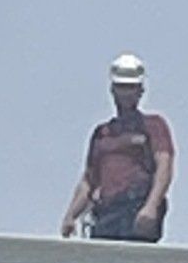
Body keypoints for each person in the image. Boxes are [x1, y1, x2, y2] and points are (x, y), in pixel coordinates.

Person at [62, 55, 175, 242]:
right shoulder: (103, 133)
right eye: (122, 87)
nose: (126, 93)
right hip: (107, 211)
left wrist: (151, 206)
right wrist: (71, 215)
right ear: (113, 90)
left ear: (140, 91)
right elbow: (89, 181)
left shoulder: (153, 126)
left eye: (131, 88)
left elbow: (164, 166)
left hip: (136, 206)